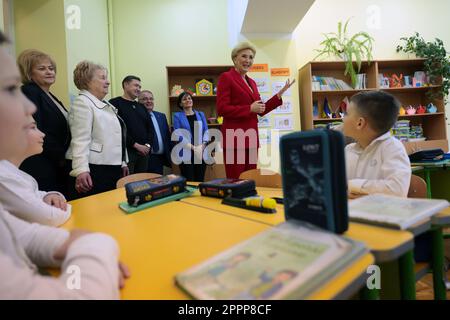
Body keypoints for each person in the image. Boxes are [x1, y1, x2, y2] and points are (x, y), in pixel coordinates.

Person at [0, 31, 129, 299]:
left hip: (105, 167)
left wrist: (89, 244)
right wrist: (96, 248)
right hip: (88, 166)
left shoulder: (102, 105)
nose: (29, 107)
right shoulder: (83, 103)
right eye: (11, 89)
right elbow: (80, 139)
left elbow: (20, 235)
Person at [217, 42, 294, 179]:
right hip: (235, 138)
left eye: (251, 57)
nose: (248, 60)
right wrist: (249, 108)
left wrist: (279, 95)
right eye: (244, 56)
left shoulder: (252, 82)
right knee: (236, 180)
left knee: (249, 178)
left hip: (251, 138)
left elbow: (260, 109)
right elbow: (222, 109)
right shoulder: (226, 77)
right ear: (235, 59)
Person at [66, 61, 129, 199]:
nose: (108, 82)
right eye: (102, 78)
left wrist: (123, 162)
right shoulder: (82, 102)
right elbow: (80, 139)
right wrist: (80, 170)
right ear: (87, 81)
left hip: (112, 167)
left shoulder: (105, 105)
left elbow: (116, 138)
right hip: (94, 168)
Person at [17, 49, 70, 195]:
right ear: (29, 73)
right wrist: (62, 156)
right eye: (42, 69)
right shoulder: (29, 92)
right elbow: (37, 129)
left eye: (51, 68)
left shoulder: (49, 94)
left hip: (56, 161)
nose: (49, 72)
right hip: (43, 162)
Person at [0, 116, 70, 226]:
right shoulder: (4, 177)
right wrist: (65, 207)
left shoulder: (15, 173)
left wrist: (52, 195)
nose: (42, 134)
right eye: (33, 128)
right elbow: (49, 218)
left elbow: (34, 195)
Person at [343, 91, 411, 198]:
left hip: (385, 213)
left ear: (360, 123)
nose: (342, 118)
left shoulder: (392, 147)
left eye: (346, 113)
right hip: (354, 212)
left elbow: (397, 190)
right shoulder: (348, 150)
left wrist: (353, 186)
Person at [110, 76, 152, 174]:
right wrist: (136, 145)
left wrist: (147, 145)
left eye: (140, 87)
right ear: (126, 85)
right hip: (126, 154)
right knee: (127, 184)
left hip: (144, 154)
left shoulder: (142, 107)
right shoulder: (114, 103)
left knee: (142, 184)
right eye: (136, 85)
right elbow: (116, 129)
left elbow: (150, 128)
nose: (138, 89)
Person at [173, 92, 209, 182]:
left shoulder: (201, 114)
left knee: (200, 180)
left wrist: (202, 147)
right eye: (184, 99)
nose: (188, 100)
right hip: (185, 153)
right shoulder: (177, 116)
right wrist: (194, 148)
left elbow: (206, 132)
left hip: (201, 152)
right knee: (189, 181)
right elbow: (178, 134)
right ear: (180, 104)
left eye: (189, 98)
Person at [138, 90, 172, 175]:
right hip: (144, 158)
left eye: (151, 99)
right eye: (145, 99)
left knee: (158, 184)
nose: (149, 101)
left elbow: (167, 136)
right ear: (138, 102)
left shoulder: (161, 116)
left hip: (160, 159)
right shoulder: (136, 116)